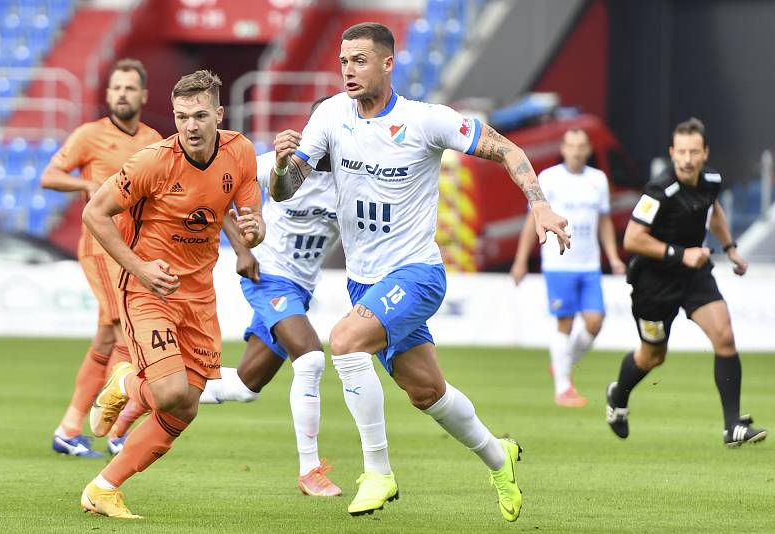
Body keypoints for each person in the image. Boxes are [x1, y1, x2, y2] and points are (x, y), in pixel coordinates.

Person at [269, 22, 570, 521]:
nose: (348, 70)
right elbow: (285, 189)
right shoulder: (329, 116)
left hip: (416, 273)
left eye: (360, 60)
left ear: (388, 63)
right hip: (365, 280)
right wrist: (282, 166)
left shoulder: (426, 120)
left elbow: (507, 149)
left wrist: (539, 205)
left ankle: (379, 473)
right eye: (344, 61)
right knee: (426, 392)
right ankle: (500, 457)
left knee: (343, 343)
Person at [78, 70, 264, 519]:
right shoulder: (152, 162)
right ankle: (126, 382)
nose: (191, 126)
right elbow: (94, 213)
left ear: (219, 113)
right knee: (168, 391)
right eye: (182, 116)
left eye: (201, 116)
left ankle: (103, 488)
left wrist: (249, 242)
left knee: (186, 407)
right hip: (147, 289)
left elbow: (239, 213)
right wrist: (139, 267)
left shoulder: (239, 152)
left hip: (199, 296)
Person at [198, 99, 343, 497]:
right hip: (267, 276)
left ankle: (141, 385)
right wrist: (242, 250)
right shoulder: (277, 164)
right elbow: (215, 192)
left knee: (245, 387)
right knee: (311, 358)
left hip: (300, 290)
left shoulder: (353, 177)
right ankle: (310, 470)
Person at [605, 117, 767, 447]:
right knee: (652, 356)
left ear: (705, 153)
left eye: (694, 151)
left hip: (694, 274)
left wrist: (731, 248)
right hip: (654, 282)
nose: (688, 159)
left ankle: (732, 426)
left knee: (724, 335)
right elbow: (633, 239)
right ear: (672, 153)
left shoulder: (710, 181)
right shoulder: (659, 191)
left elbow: (714, 210)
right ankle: (618, 395)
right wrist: (681, 255)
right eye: (682, 152)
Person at [41, 58, 162, 457]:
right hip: (98, 245)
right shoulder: (89, 136)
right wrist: (86, 182)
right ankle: (113, 429)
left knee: (109, 336)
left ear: (142, 95)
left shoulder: (153, 139)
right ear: (108, 94)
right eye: (116, 88)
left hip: (131, 251)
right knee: (122, 327)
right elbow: (49, 175)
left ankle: (71, 428)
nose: (121, 94)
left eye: (129, 88)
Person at [511, 129, 625, 407]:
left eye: (581, 145)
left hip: (589, 264)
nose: (576, 150)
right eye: (571, 145)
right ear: (563, 149)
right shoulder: (549, 179)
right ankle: (563, 388)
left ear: (588, 150)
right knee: (565, 322)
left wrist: (613, 256)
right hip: (559, 263)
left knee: (595, 322)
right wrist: (521, 259)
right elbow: (532, 220)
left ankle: (563, 363)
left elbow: (604, 221)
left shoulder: (598, 180)